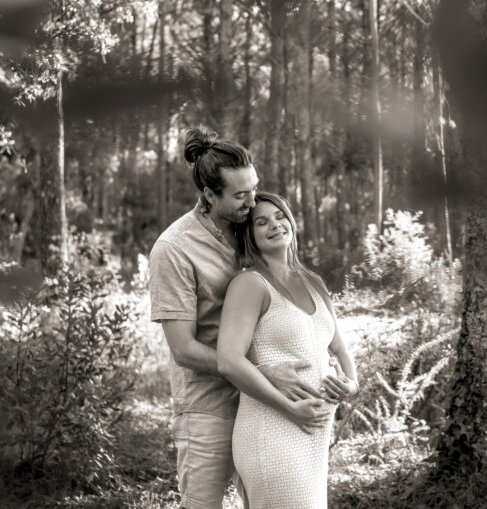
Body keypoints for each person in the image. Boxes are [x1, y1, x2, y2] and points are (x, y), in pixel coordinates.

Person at [149, 130, 325, 509]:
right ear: (210, 196)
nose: (252, 200)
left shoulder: (251, 226)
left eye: (254, 188)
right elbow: (183, 349)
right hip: (209, 406)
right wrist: (261, 371)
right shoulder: (174, 249)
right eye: (240, 195)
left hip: (265, 405)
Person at [218, 192, 359, 509]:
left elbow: (338, 346)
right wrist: (288, 407)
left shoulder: (313, 281)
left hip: (314, 434)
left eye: (279, 215)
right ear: (249, 235)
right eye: (261, 222)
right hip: (271, 431)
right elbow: (228, 361)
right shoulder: (249, 284)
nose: (274, 225)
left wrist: (352, 383)